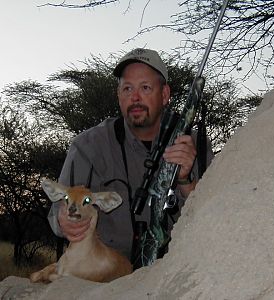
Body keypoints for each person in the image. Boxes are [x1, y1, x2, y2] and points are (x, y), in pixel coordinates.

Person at [48, 48, 214, 261]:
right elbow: (58, 211)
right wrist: (64, 219)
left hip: (177, 268)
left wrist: (184, 180)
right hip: (107, 273)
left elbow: (216, 217)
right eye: (127, 88)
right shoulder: (88, 146)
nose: (135, 97)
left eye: (145, 88)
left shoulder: (196, 145)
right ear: (119, 96)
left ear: (164, 95)